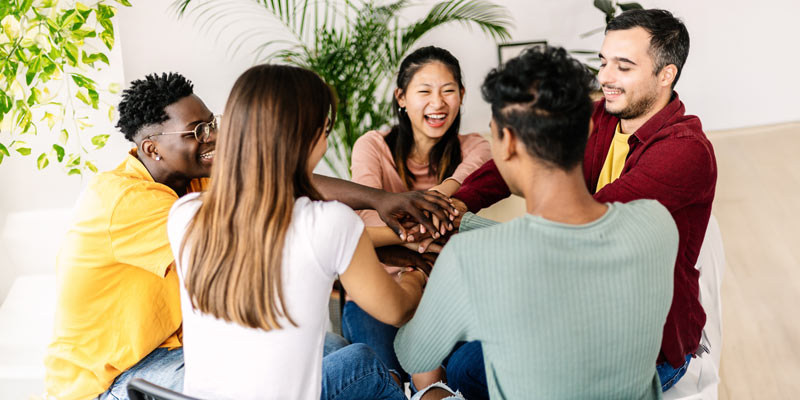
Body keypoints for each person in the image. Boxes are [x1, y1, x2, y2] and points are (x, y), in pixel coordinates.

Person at [43, 72, 451, 400]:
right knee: (359, 365)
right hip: (116, 378)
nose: (214, 137)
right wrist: (399, 247)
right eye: (198, 131)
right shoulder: (127, 202)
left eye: (213, 124)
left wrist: (381, 202)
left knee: (335, 350)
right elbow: (278, 229)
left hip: (170, 349)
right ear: (152, 149)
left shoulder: (191, 188)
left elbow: (281, 181)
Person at [444, 9, 718, 396]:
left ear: (665, 75)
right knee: (462, 365)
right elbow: (526, 152)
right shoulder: (602, 116)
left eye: (623, 67)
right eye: (603, 62)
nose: (604, 77)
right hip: (580, 309)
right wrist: (459, 201)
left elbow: (582, 224)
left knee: (476, 370)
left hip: (645, 349)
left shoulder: (685, 153)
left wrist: (463, 229)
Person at [394, 45, 679, 400]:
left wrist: (415, 277)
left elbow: (413, 354)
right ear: (589, 128)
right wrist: (462, 226)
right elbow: (567, 244)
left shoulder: (470, 261)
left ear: (508, 142)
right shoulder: (655, 224)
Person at [167, 64, 428, 399]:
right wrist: (415, 271)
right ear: (312, 136)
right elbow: (398, 310)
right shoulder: (330, 223)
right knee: (365, 362)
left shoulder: (185, 214)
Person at [345, 45, 491, 390]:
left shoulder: (476, 147)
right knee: (383, 383)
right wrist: (427, 241)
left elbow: (458, 192)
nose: (437, 103)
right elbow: (361, 225)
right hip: (378, 286)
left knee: (443, 382)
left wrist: (406, 226)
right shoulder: (372, 146)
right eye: (424, 91)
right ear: (402, 97)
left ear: (462, 96)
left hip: (449, 293)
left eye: (448, 91)